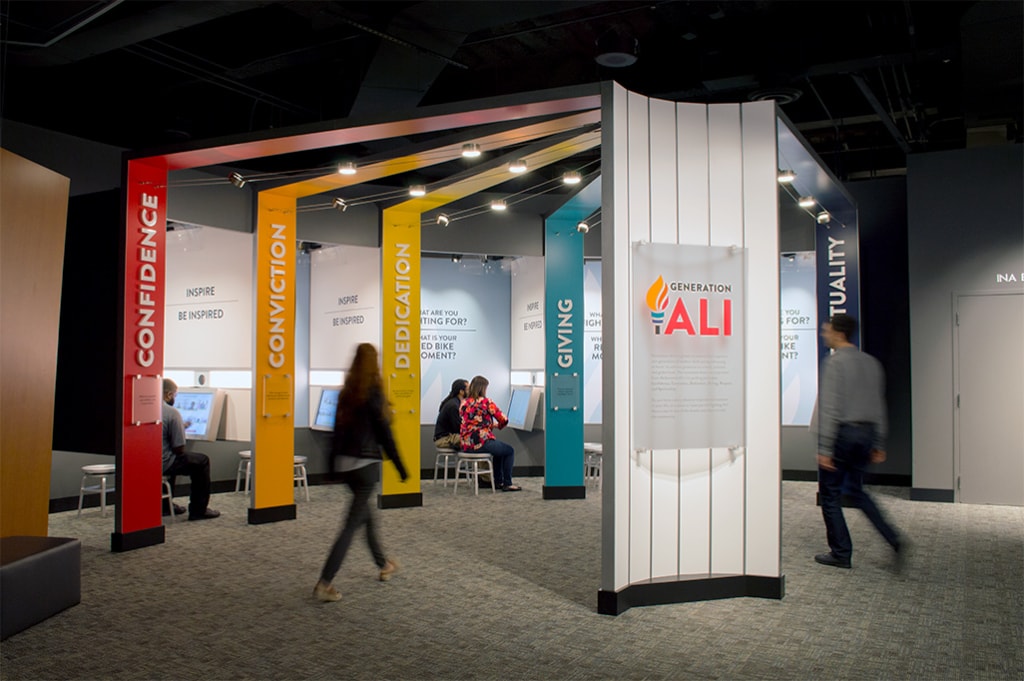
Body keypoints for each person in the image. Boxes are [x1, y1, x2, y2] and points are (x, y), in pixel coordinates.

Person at [314, 343, 409, 603]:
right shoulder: (374, 393)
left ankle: (383, 563)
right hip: (365, 468)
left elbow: (334, 434)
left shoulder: (347, 393)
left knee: (365, 515)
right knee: (350, 525)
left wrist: (332, 468)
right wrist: (400, 466)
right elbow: (385, 435)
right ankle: (325, 581)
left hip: (346, 468)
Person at [814, 313, 905, 570]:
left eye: (827, 330)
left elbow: (829, 408)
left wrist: (824, 448)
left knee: (830, 494)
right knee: (857, 491)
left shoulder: (835, 364)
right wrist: (878, 442)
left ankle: (841, 552)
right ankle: (893, 538)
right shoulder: (871, 363)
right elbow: (878, 406)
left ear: (839, 333)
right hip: (866, 435)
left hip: (842, 435)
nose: (824, 334)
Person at [161, 379, 220, 521]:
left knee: (175, 458)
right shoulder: (171, 412)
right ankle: (198, 510)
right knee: (201, 461)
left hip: (143, 461)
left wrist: (180, 427)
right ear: (169, 394)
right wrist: (179, 430)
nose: (174, 398)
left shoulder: (143, 407)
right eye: (175, 396)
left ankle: (165, 506)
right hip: (163, 462)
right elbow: (178, 448)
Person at [459, 375, 520, 492]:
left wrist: (489, 425)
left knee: (498, 452)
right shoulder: (487, 402)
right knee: (509, 451)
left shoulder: (464, 403)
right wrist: (499, 426)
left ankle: (498, 482)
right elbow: (503, 419)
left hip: (466, 445)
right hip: (481, 443)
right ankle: (507, 483)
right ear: (483, 389)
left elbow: (471, 422)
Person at [433, 378, 468, 450]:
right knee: (474, 440)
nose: (470, 391)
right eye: (468, 389)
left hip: (447, 437)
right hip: (444, 439)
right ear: (461, 391)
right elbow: (457, 428)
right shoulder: (453, 406)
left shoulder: (454, 403)